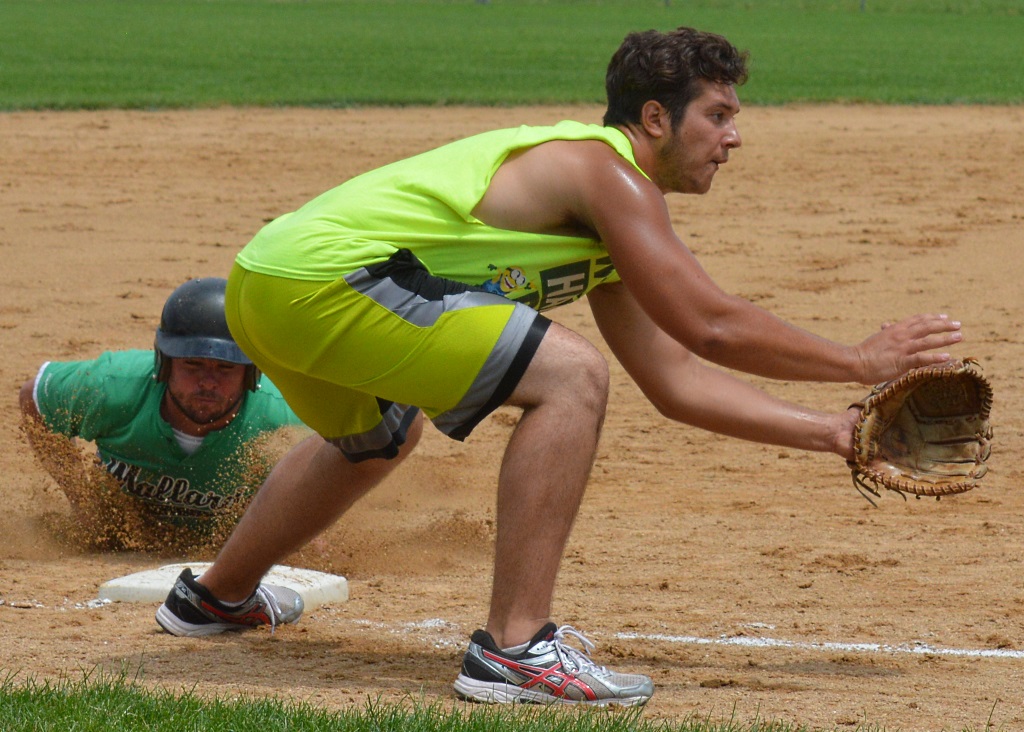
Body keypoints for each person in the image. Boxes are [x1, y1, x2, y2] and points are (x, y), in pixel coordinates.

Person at [154, 27, 964, 706]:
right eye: (717, 115)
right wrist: (857, 360)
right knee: (571, 376)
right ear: (655, 117)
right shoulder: (601, 169)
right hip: (326, 279)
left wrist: (831, 430)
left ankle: (216, 598)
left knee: (382, 435)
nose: (734, 136)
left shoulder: (603, 224)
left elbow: (676, 377)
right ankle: (516, 649)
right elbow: (710, 324)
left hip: (264, 282)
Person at [19, 277, 305, 550]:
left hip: (226, 548)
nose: (208, 382)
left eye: (225, 368)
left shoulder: (281, 416)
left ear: (249, 372)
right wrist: (81, 502)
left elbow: (330, 462)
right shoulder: (115, 387)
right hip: (121, 535)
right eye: (193, 365)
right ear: (164, 363)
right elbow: (35, 397)